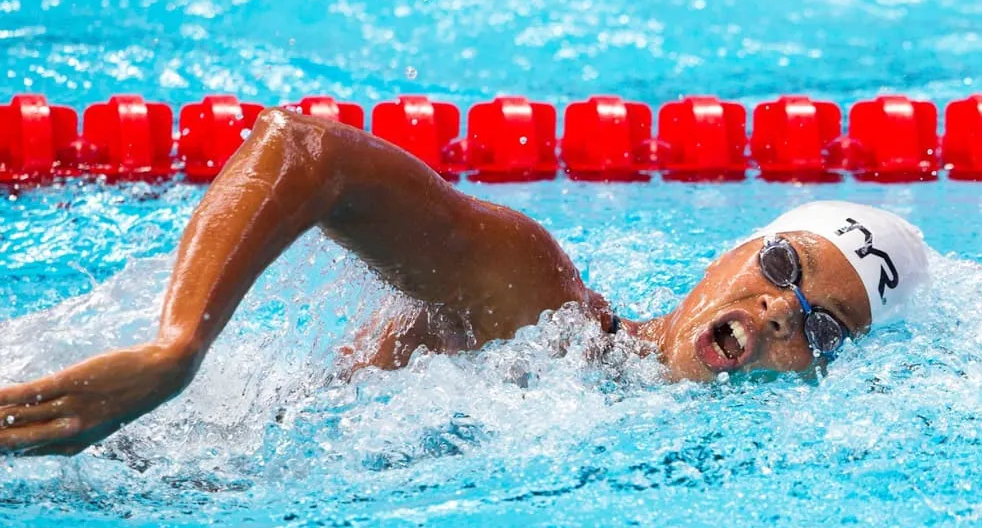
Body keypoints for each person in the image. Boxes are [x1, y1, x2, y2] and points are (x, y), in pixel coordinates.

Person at [0, 109, 929, 455]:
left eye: (823, 329)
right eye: (779, 268)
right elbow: (307, 150)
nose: (775, 310)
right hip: (128, 440)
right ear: (734, 252)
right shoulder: (541, 310)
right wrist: (177, 347)